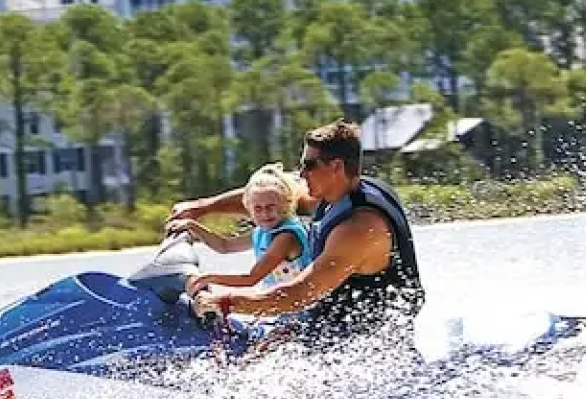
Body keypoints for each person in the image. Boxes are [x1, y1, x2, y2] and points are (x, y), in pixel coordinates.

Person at [165, 120, 426, 356]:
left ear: (336, 167)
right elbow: (271, 196)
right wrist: (202, 208)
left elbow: (300, 293)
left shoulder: (359, 229)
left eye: (309, 165)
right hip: (324, 323)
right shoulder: (335, 191)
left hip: (365, 347)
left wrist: (225, 302)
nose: (301, 174)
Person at [166, 163, 311, 291]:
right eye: (258, 208)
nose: (265, 214)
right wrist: (192, 226)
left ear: (287, 204)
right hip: (280, 304)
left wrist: (209, 278)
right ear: (249, 210)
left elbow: (251, 279)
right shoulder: (262, 232)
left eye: (271, 207)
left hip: (301, 309)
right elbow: (225, 246)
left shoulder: (285, 237)